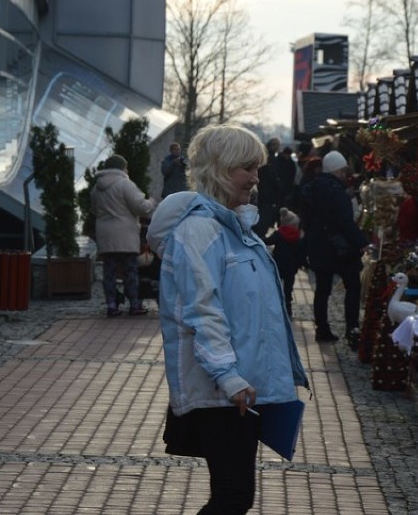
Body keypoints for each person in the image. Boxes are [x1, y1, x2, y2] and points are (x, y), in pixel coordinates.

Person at [146, 124, 309, 514]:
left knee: (234, 496)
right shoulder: (200, 231)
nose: (255, 178)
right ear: (220, 168)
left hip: (240, 390)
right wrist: (229, 376)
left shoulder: (236, 228)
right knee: (233, 497)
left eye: (257, 168)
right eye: (247, 168)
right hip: (223, 390)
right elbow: (201, 312)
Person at [301, 151, 369, 342]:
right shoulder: (336, 191)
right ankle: (352, 328)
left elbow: (306, 218)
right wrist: (362, 242)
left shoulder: (311, 188)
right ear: (338, 170)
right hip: (341, 248)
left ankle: (322, 329)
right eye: (343, 171)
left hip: (318, 246)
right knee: (352, 286)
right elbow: (345, 222)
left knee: (322, 289)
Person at [90, 154, 155, 317]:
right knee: (130, 271)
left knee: (109, 272)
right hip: (125, 234)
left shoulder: (97, 187)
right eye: (125, 167)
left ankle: (111, 306)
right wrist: (152, 202)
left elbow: (94, 209)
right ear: (121, 167)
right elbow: (141, 207)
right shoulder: (125, 184)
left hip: (105, 234)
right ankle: (134, 305)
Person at [263, 207, 307, 318]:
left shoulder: (279, 234)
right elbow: (301, 254)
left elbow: (268, 241)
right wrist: (301, 264)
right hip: (291, 268)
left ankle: (275, 308)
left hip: (278, 265)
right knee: (288, 289)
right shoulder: (298, 237)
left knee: (276, 287)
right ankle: (288, 309)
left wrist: (258, 238)